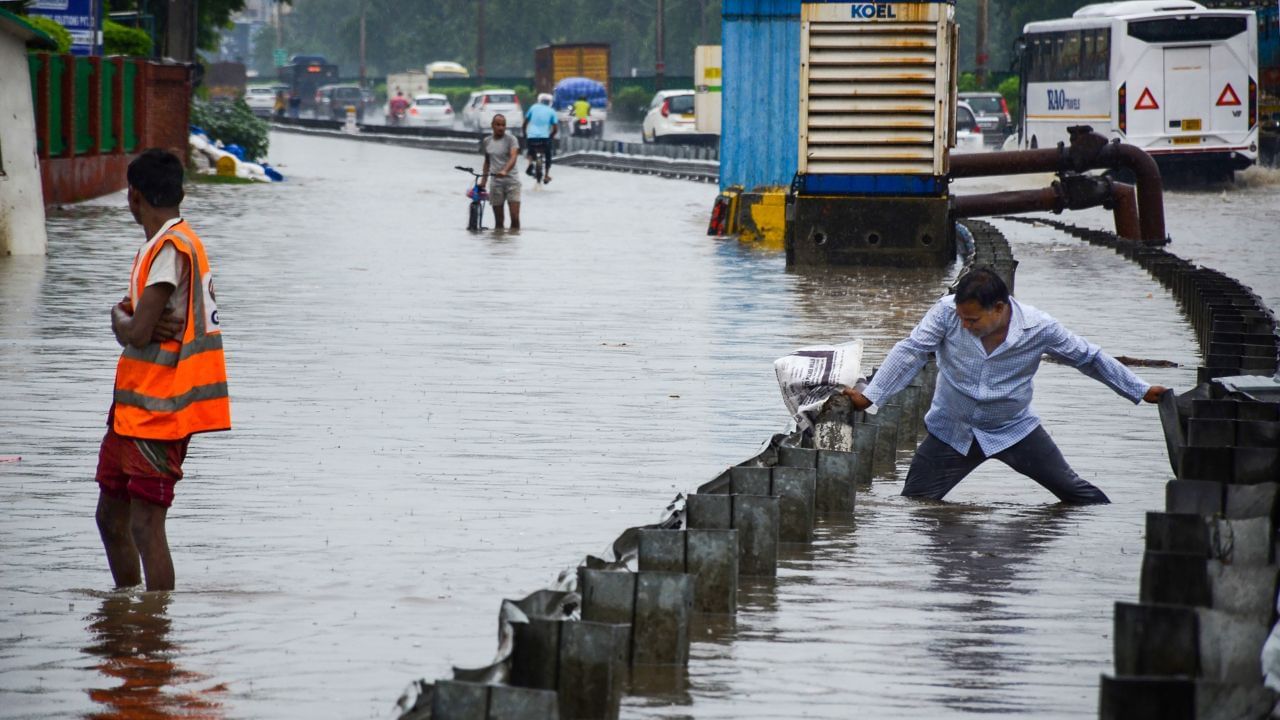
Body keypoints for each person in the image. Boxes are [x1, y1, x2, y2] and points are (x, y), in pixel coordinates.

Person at [842, 267, 1167, 505]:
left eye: (973, 321)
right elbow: (911, 351)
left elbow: (1088, 357)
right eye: (962, 319)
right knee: (915, 504)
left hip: (1014, 429)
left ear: (999, 309)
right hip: (951, 430)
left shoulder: (1039, 328)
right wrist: (870, 396)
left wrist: (1139, 389)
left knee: (1081, 498)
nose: (965, 326)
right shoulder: (946, 314)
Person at [96, 149, 231, 591]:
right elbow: (141, 327)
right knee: (110, 517)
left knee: (145, 526)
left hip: (161, 413)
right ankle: (126, 612)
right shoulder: (165, 245)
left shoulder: (172, 248)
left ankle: (155, 636)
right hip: (133, 410)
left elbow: (135, 331)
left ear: (133, 197)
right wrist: (132, 322)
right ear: (180, 192)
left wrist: (119, 317)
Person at [479, 114, 521, 230]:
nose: (501, 127)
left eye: (503, 125)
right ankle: (499, 244)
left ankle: (513, 241)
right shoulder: (487, 141)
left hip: (512, 182)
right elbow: (487, 162)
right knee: (498, 221)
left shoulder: (511, 140)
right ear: (492, 126)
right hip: (496, 183)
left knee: (515, 217)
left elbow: (514, 157)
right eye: (498, 125)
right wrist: (483, 181)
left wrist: (504, 171)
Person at [524, 92, 558, 183]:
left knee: (530, 151)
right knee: (548, 155)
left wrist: (525, 134)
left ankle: (530, 163)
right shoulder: (552, 111)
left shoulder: (533, 107)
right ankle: (546, 175)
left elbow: (525, 123)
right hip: (545, 138)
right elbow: (555, 129)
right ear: (550, 102)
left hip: (532, 137)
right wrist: (550, 137)